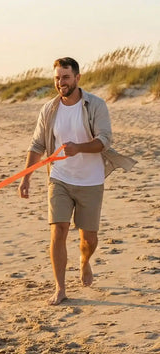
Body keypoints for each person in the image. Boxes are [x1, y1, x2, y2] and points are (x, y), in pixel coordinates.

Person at [18, 57, 136, 305]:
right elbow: (37, 145)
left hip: (90, 181)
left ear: (77, 78)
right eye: (57, 78)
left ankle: (85, 262)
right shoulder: (49, 109)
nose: (61, 82)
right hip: (59, 178)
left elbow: (104, 140)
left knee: (89, 238)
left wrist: (79, 148)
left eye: (66, 77)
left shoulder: (95, 105)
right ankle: (60, 287)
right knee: (58, 229)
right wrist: (26, 177)